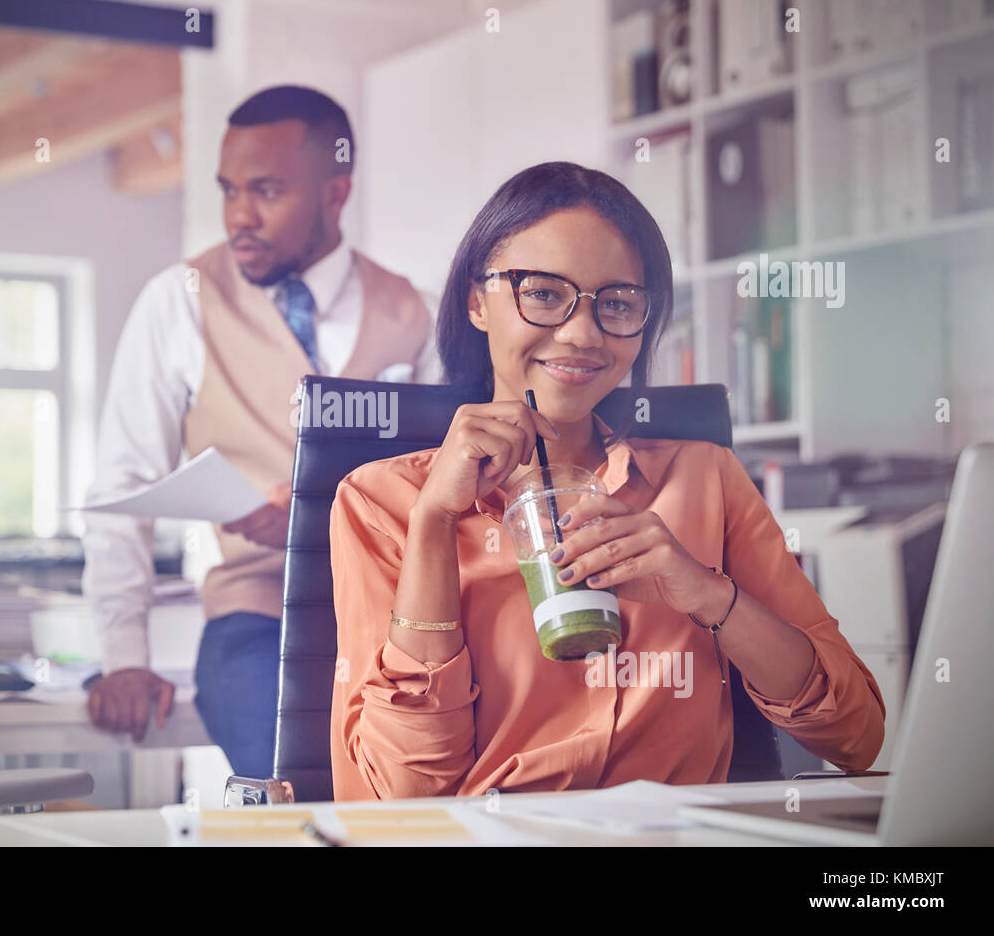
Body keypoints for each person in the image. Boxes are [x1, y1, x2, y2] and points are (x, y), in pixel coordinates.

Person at [329, 162, 886, 800]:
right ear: (477, 301)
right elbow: (396, 800)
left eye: (617, 303)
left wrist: (705, 594)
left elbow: (857, 736)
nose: (583, 333)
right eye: (541, 292)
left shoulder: (705, 479)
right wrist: (433, 525)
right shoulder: (381, 502)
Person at [83, 85, 441, 778]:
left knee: (427, 791)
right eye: (229, 191)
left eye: (268, 191)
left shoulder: (419, 315)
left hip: (403, 621)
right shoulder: (179, 301)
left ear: (336, 192)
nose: (239, 216)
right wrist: (124, 658)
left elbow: (454, 488)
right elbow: (123, 484)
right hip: (258, 626)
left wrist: (323, 517)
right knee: (298, 791)